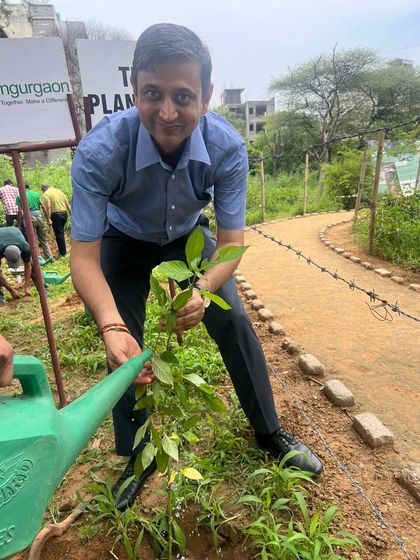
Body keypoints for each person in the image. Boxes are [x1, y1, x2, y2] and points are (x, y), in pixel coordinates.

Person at [70, 23, 323, 512]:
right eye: (153, 94)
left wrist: (202, 288)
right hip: (122, 239)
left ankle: (270, 433)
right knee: (125, 346)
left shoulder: (227, 148)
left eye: (183, 95)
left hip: (187, 234)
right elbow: (83, 258)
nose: (167, 112)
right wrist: (110, 325)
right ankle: (138, 456)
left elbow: (230, 243)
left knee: (234, 318)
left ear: (206, 96)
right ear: (134, 90)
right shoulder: (100, 152)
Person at [16, 183, 53, 260]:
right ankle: (50, 257)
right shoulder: (36, 194)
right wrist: (48, 218)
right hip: (39, 216)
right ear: (29, 188)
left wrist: (19, 224)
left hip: (28, 217)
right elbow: (43, 206)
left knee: (33, 240)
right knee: (43, 239)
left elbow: (20, 212)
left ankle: (37, 259)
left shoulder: (19, 196)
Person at [0, 226, 33, 302]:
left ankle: (42, 289)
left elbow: (28, 265)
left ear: (20, 252)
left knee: (32, 265)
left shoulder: (25, 248)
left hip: (14, 231)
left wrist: (26, 286)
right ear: (4, 254)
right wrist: (11, 289)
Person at [41, 184, 71, 257]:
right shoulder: (59, 191)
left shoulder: (46, 194)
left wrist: (48, 218)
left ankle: (63, 253)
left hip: (56, 215)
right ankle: (63, 251)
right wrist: (72, 214)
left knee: (59, 234)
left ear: (44, 189)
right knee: (60, 233)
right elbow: (67, 203)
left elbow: (48, 206)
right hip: (64, 214)